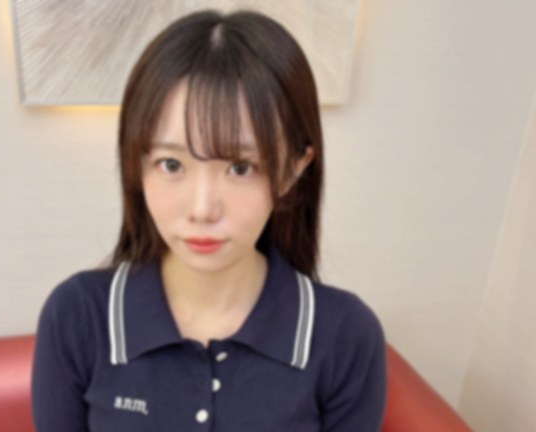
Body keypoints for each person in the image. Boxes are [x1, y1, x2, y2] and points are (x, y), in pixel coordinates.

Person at [31, 9, 386, 432]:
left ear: (293, 168)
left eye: (240, 167)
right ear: (136, 164)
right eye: (171, 164)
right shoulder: (77, 316)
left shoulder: (346, 335)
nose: (202, 209)